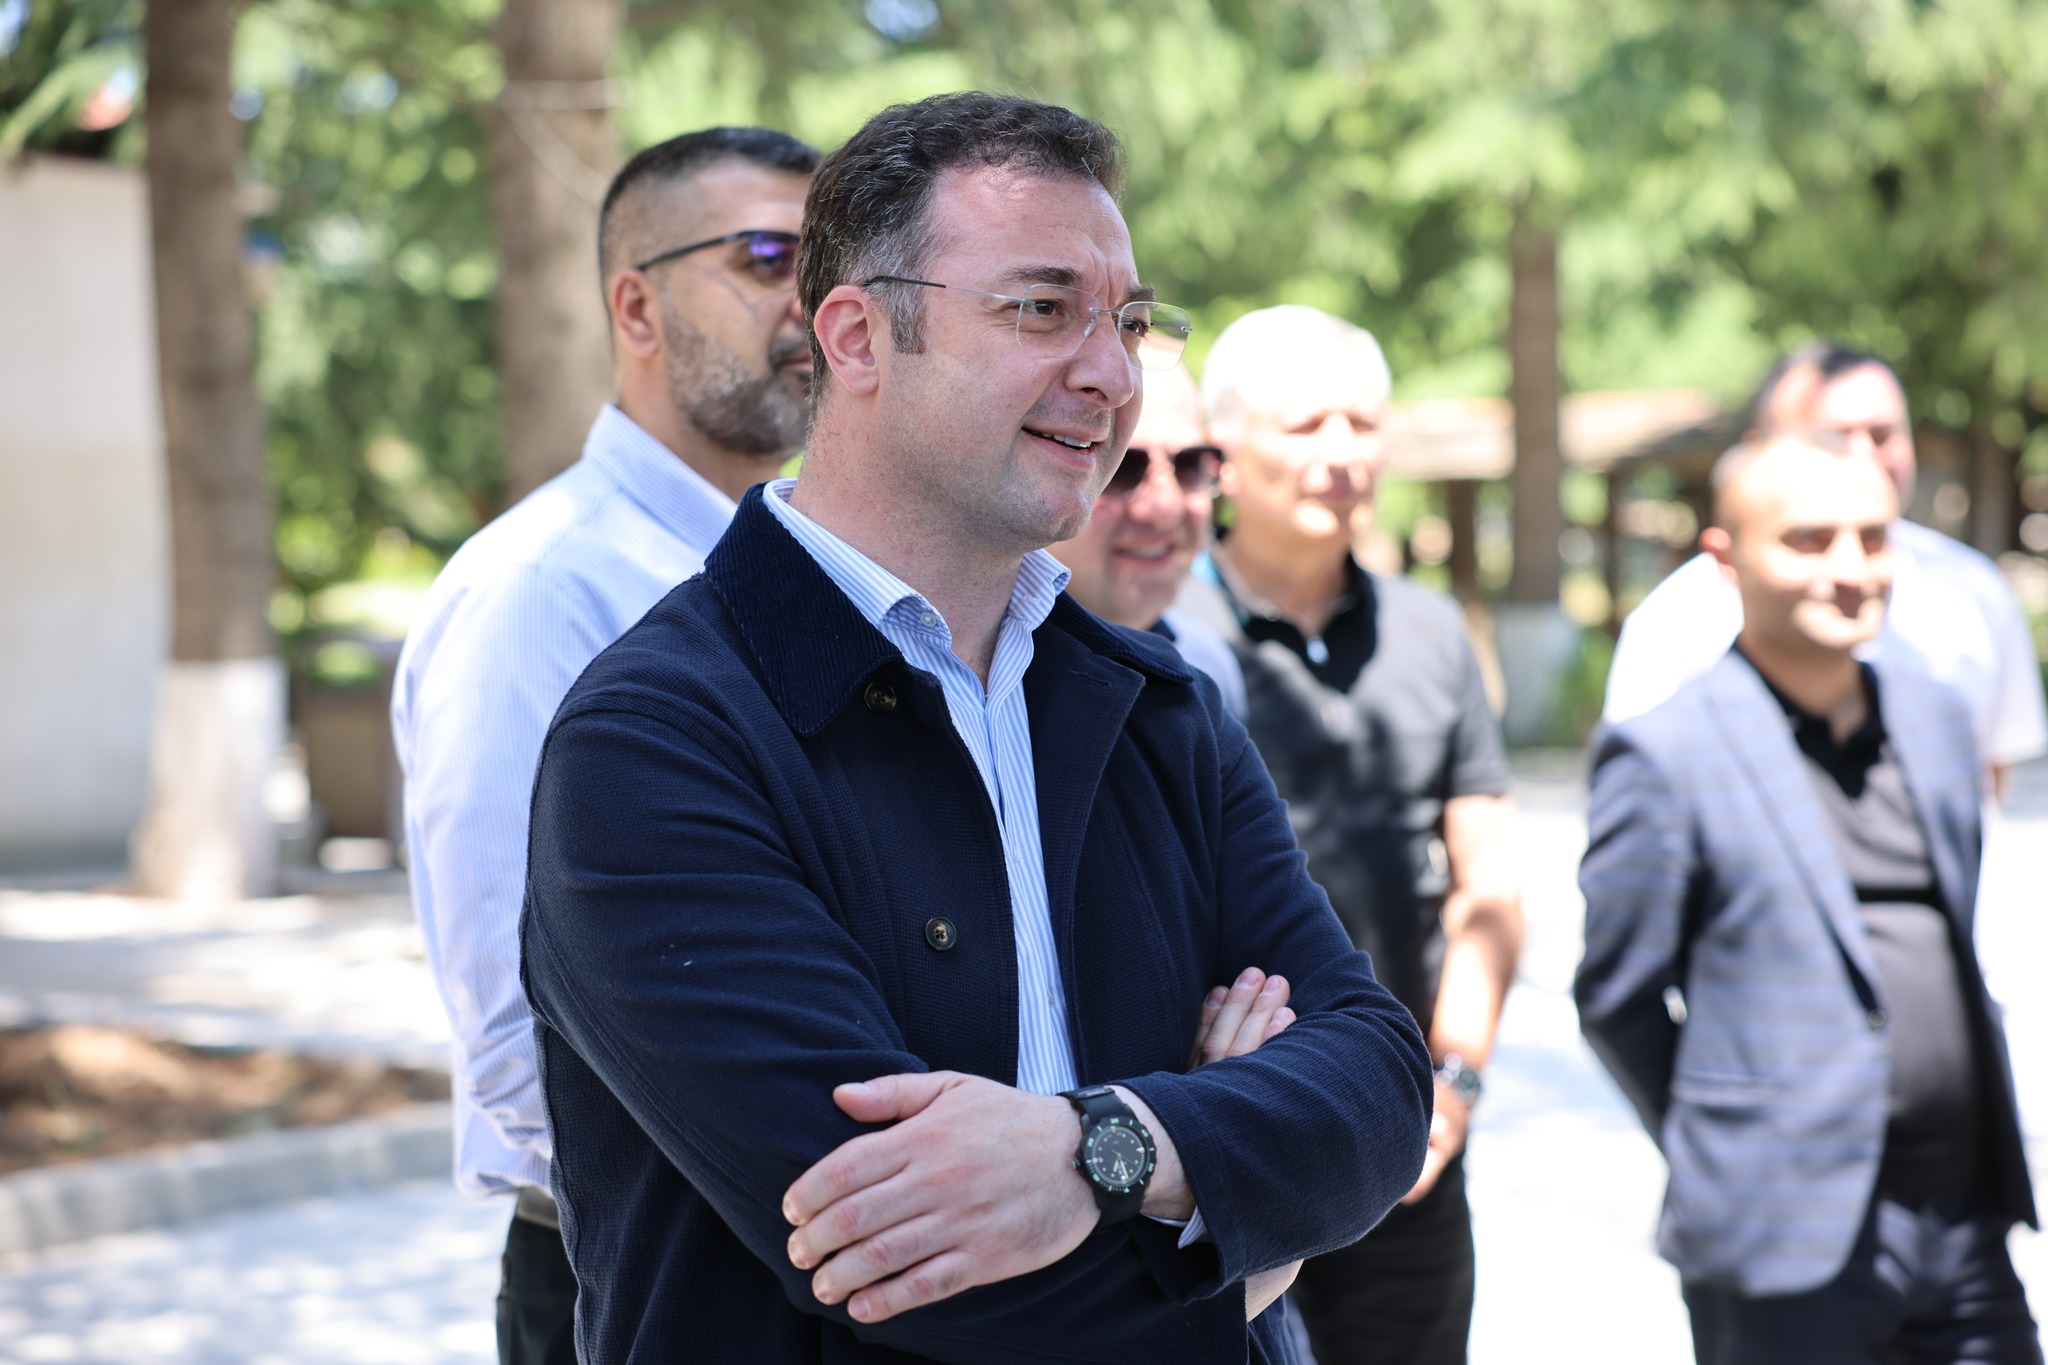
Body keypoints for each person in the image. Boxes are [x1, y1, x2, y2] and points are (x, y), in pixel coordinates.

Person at [520, 92, 1433, 1365]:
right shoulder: (653, 742)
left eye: (1126, 322)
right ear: (856, 338)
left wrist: (1100, 1146)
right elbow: (907, 1270)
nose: (1111, 374)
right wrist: (1243, 1229)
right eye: (1041, 310)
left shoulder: (1153, 707)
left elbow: (1380, 1090)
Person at [389, 125, 820, 1364]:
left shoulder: (810, 581)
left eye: (830, 264)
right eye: (764, 258)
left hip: (816, 1254)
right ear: (635, 305)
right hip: (635, 1267)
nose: (810, 304)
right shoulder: (540, 591)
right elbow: (509, 1024)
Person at [1575, 431, 2039, 1364]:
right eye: (1809, 540)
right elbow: (1619, 998)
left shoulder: (1940, 720)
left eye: (1873, 537)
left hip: (1961, 1219)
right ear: (1725, 559)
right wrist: (1732, 1142)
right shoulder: (1666, 751)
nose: (1851, 568)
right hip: (1780, 1237)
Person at [1174, 304, 1524, 1365]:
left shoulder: (1431, 631)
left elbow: (1489, 884)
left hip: (1400, 1136)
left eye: (1363, 424)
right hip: (1219, 1139)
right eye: (1306, 425)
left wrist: (1453, 1084)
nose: (1342, 453)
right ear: (1223, 454)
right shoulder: (1161, 636)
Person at [1602, 342, 2048, 795]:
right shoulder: (1673, 624)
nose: (1861, 457)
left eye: (1882, 435)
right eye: (1832, 437)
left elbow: (1991, 772)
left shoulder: (1972, 589)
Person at [1047, 361, 1245, 716]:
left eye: (1189, 463)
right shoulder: (978, 673)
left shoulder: (1205, 665)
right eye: (1122, 465)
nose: (1165, 507)